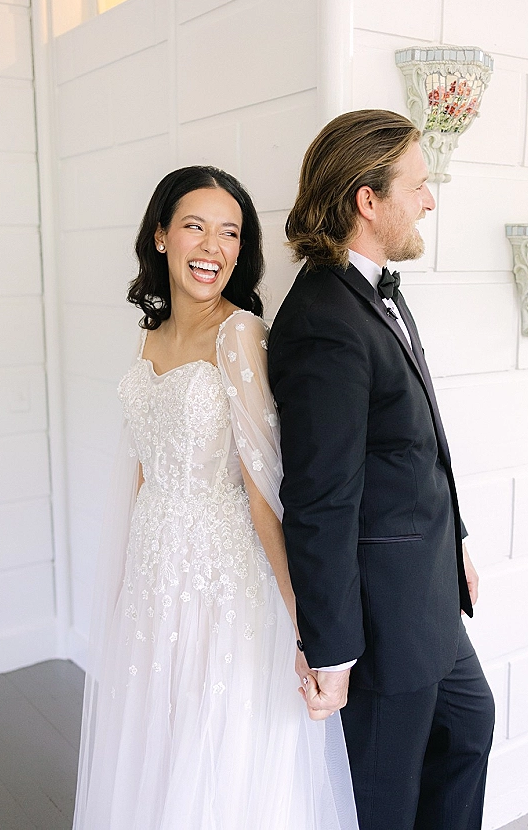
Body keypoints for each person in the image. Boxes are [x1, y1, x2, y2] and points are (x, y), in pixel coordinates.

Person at [72, 166, 358, 829]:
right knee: (158, 742)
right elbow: (145, 469)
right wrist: (125, 584)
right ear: (162, 236)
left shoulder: (240, 335)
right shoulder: (150, 333)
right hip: (153, 573)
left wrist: (308, 628)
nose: (213, 247)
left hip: (222, 582)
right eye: (195, 226)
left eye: (230, 232)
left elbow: (266, 493)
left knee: (217, 751)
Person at [268, 110, 495, 830]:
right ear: (368, 200)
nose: (430, 199)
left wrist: (454, 537)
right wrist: (329, 651)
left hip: (428, 589)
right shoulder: (322, 321)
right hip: (383, 618)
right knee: (386, 799)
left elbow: (416, 441)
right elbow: (319, 498)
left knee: (469, 727)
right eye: (420, 184)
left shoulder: (373, 292)